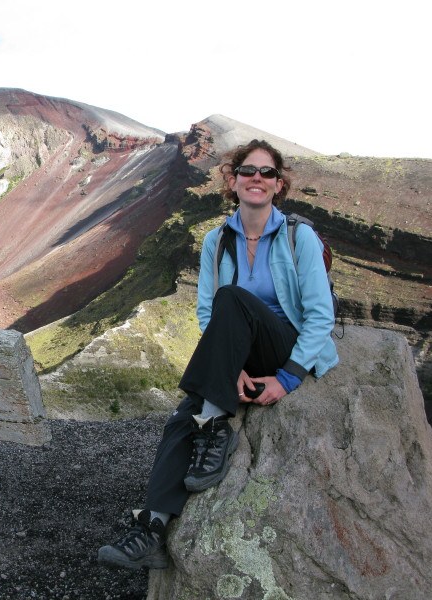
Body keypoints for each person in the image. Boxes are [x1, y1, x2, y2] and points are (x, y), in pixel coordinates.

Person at [97, 139, 339, 570]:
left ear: (279, 185)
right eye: (248, 171)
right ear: (234, 179)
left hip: (285, 345)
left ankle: (215, 426)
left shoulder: (298, 236)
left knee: (232, 296)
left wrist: (287, 378)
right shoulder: (217, 241)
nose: (257, 179)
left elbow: (321, 316)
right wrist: (236, 367)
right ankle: (151, 525)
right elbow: (208, 314)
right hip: (244, 350)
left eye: (267, 173)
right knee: (180, 417)